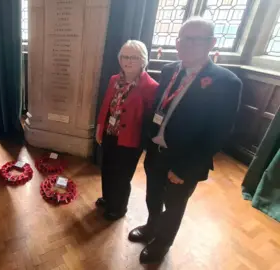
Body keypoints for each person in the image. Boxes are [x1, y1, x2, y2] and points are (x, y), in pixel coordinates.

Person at [128, 17, 243, 264]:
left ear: (211, 43)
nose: (184, 45)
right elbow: (160, 108)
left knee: (174, 205)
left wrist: (185, 169)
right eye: (181, 39)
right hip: (157, 151)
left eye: (193, 40)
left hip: (184, 160)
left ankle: (162, 243)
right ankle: (151, 227)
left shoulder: (226, 82)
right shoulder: (170, 70)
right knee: (153, 195)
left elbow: (219, 133)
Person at [96, 40, 158, 220]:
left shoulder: (151, 87)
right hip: (109, 133)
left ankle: (119, 207)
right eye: (124, 56)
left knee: (122, 176)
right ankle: (108, 198)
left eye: (133, 57)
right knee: (107, 169)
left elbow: (149, 120)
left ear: (143, 60)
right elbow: (106, 106)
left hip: (131, 139)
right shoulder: (114, 80)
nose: (127, 61)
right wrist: (100, 128)